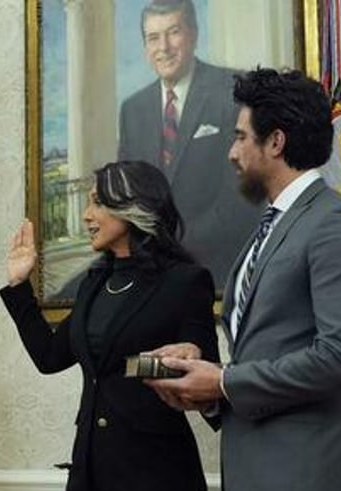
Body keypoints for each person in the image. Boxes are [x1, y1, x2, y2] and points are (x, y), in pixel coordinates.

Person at [147, 68, 341, 491]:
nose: (232, 153)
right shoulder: (271, 225)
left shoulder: (340, 224)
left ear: (275, 142)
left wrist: (222, 383)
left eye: (240, 138)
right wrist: (208, 385)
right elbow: (266, 349)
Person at [0, 160, 219, 491]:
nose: (86, 215)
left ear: (132, 208)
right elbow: (49, 357)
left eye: (97, 203)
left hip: (157, 487)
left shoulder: (185, 282)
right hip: (88, 485)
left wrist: (188, 358)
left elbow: (206, 373)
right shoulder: (94, 283)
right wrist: (19, 284)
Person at [117, 0, 262, 290]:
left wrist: (172, 246)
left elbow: (243, 193)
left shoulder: (234, 89)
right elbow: (126, 194)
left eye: (174, 32)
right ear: (145, 46)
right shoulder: (133, 109)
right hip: (151, 271)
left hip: (220, 268)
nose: (164, 47)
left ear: (194, 34)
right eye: (153, 38)